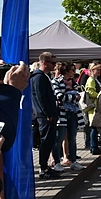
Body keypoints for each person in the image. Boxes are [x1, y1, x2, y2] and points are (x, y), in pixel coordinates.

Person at [30, 51, 61, 179]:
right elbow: (40, 97)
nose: (55, 65)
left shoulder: (44, 76)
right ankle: (43, 168)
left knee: (49, 141)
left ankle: (45, 166)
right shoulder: (38, 77)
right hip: (45, 115)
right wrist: (48, 113)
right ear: (44, 62)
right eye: (52, 63)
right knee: (46, 141)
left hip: (48, 113)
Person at [51, 62, 85, 172]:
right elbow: (60, 97)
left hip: (73, 113)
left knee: (72, 138)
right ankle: (57, 162)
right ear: (66, 71)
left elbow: (78, 95)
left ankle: (73, 161)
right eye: (72, 70)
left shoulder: (73, 82)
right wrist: (73, 97)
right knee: (59, 138)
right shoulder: (56, 82)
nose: (74, 72)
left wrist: (71, 96)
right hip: (62, 113)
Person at [84, 62, 101, 155]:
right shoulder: (91, 80)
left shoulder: (95, 79)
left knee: (95, 127)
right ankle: (93, 146)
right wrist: (100, 95)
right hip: (93, 107)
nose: (99, 71)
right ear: (92, 70)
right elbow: (90, 92)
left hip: (96, 105)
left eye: (100, 69)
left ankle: (94, 146)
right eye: (97, 69)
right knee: (94, 127)